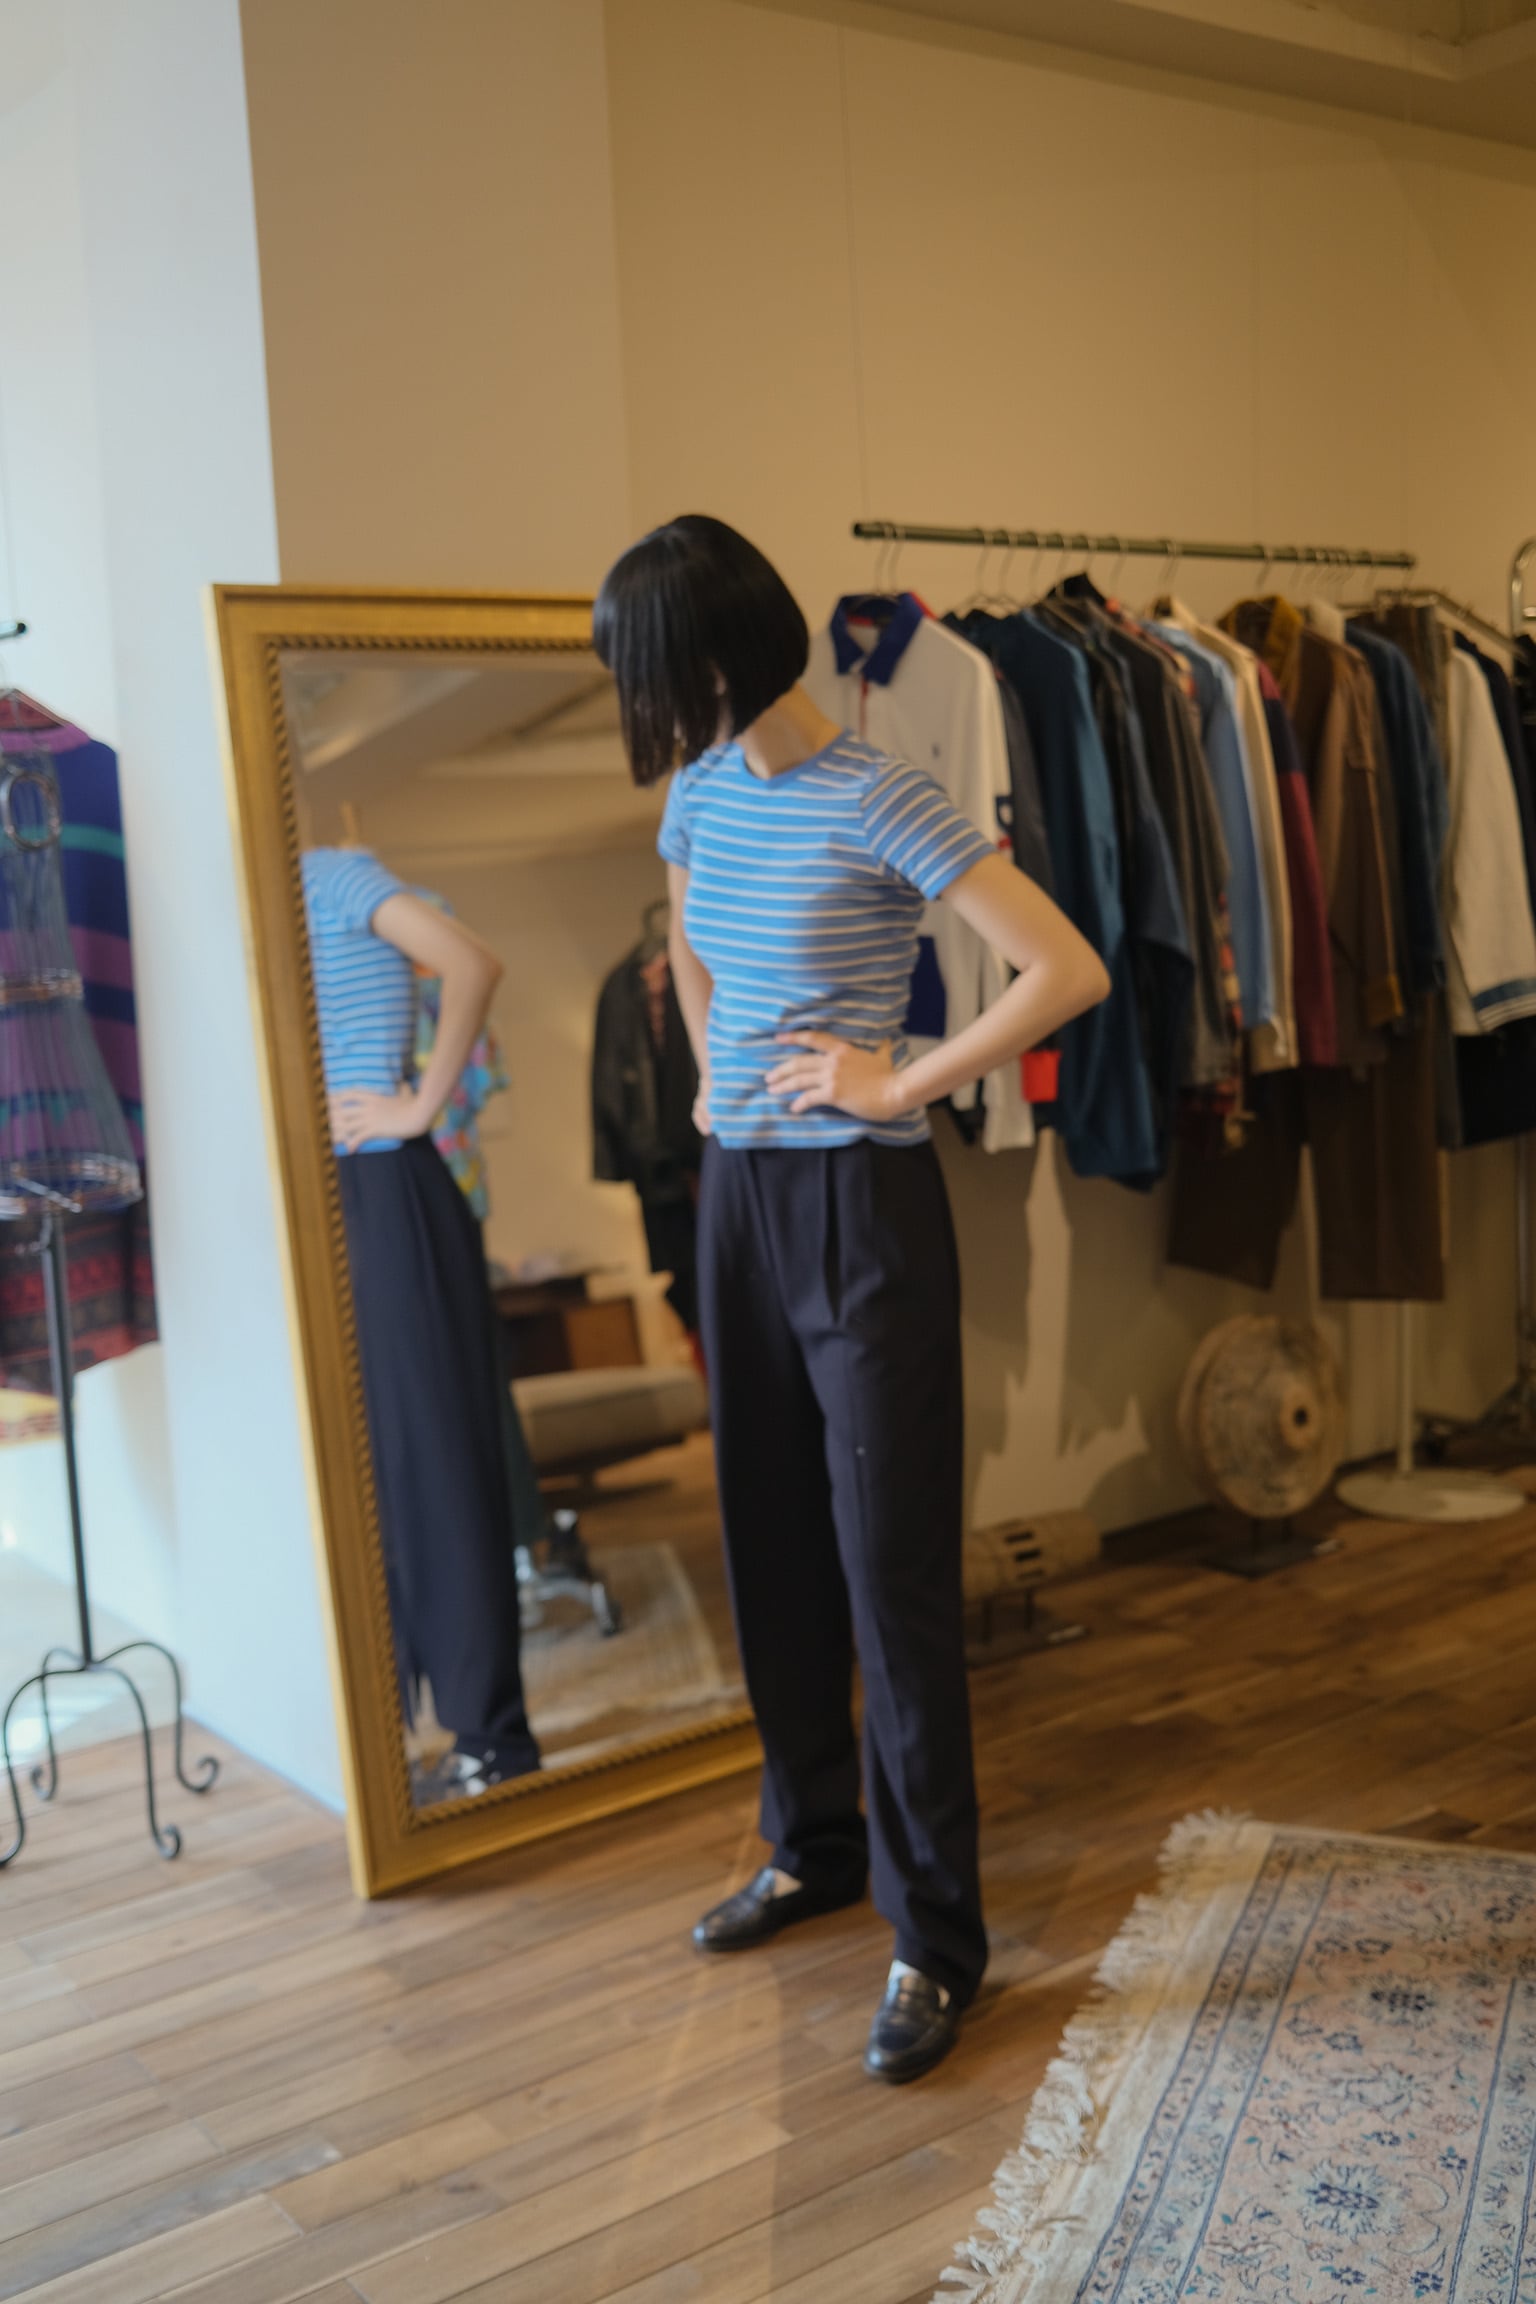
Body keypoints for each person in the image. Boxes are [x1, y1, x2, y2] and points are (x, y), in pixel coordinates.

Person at [593, 515, 1109, 2083]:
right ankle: (812, 1842)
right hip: (740, 1200)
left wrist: (900, 1079)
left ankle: (935, 1936)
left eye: (641, 673)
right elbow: (688, 939)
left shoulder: (881, 792)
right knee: (768, 1539)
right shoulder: (699, 789)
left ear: (710, 661)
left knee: (892, 1574)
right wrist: (709, 1077)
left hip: (862, 1207)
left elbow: (1065, 970)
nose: (636, 704)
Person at [302, 847, 540, 1800]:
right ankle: (405, 1732)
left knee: (435, 1460)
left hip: (384, 1181)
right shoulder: (239, 907)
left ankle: (492, 1738)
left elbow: (473, 962)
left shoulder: (328, 873)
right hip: (327, 1192)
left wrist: (419, 1107)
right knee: (376, 1473)